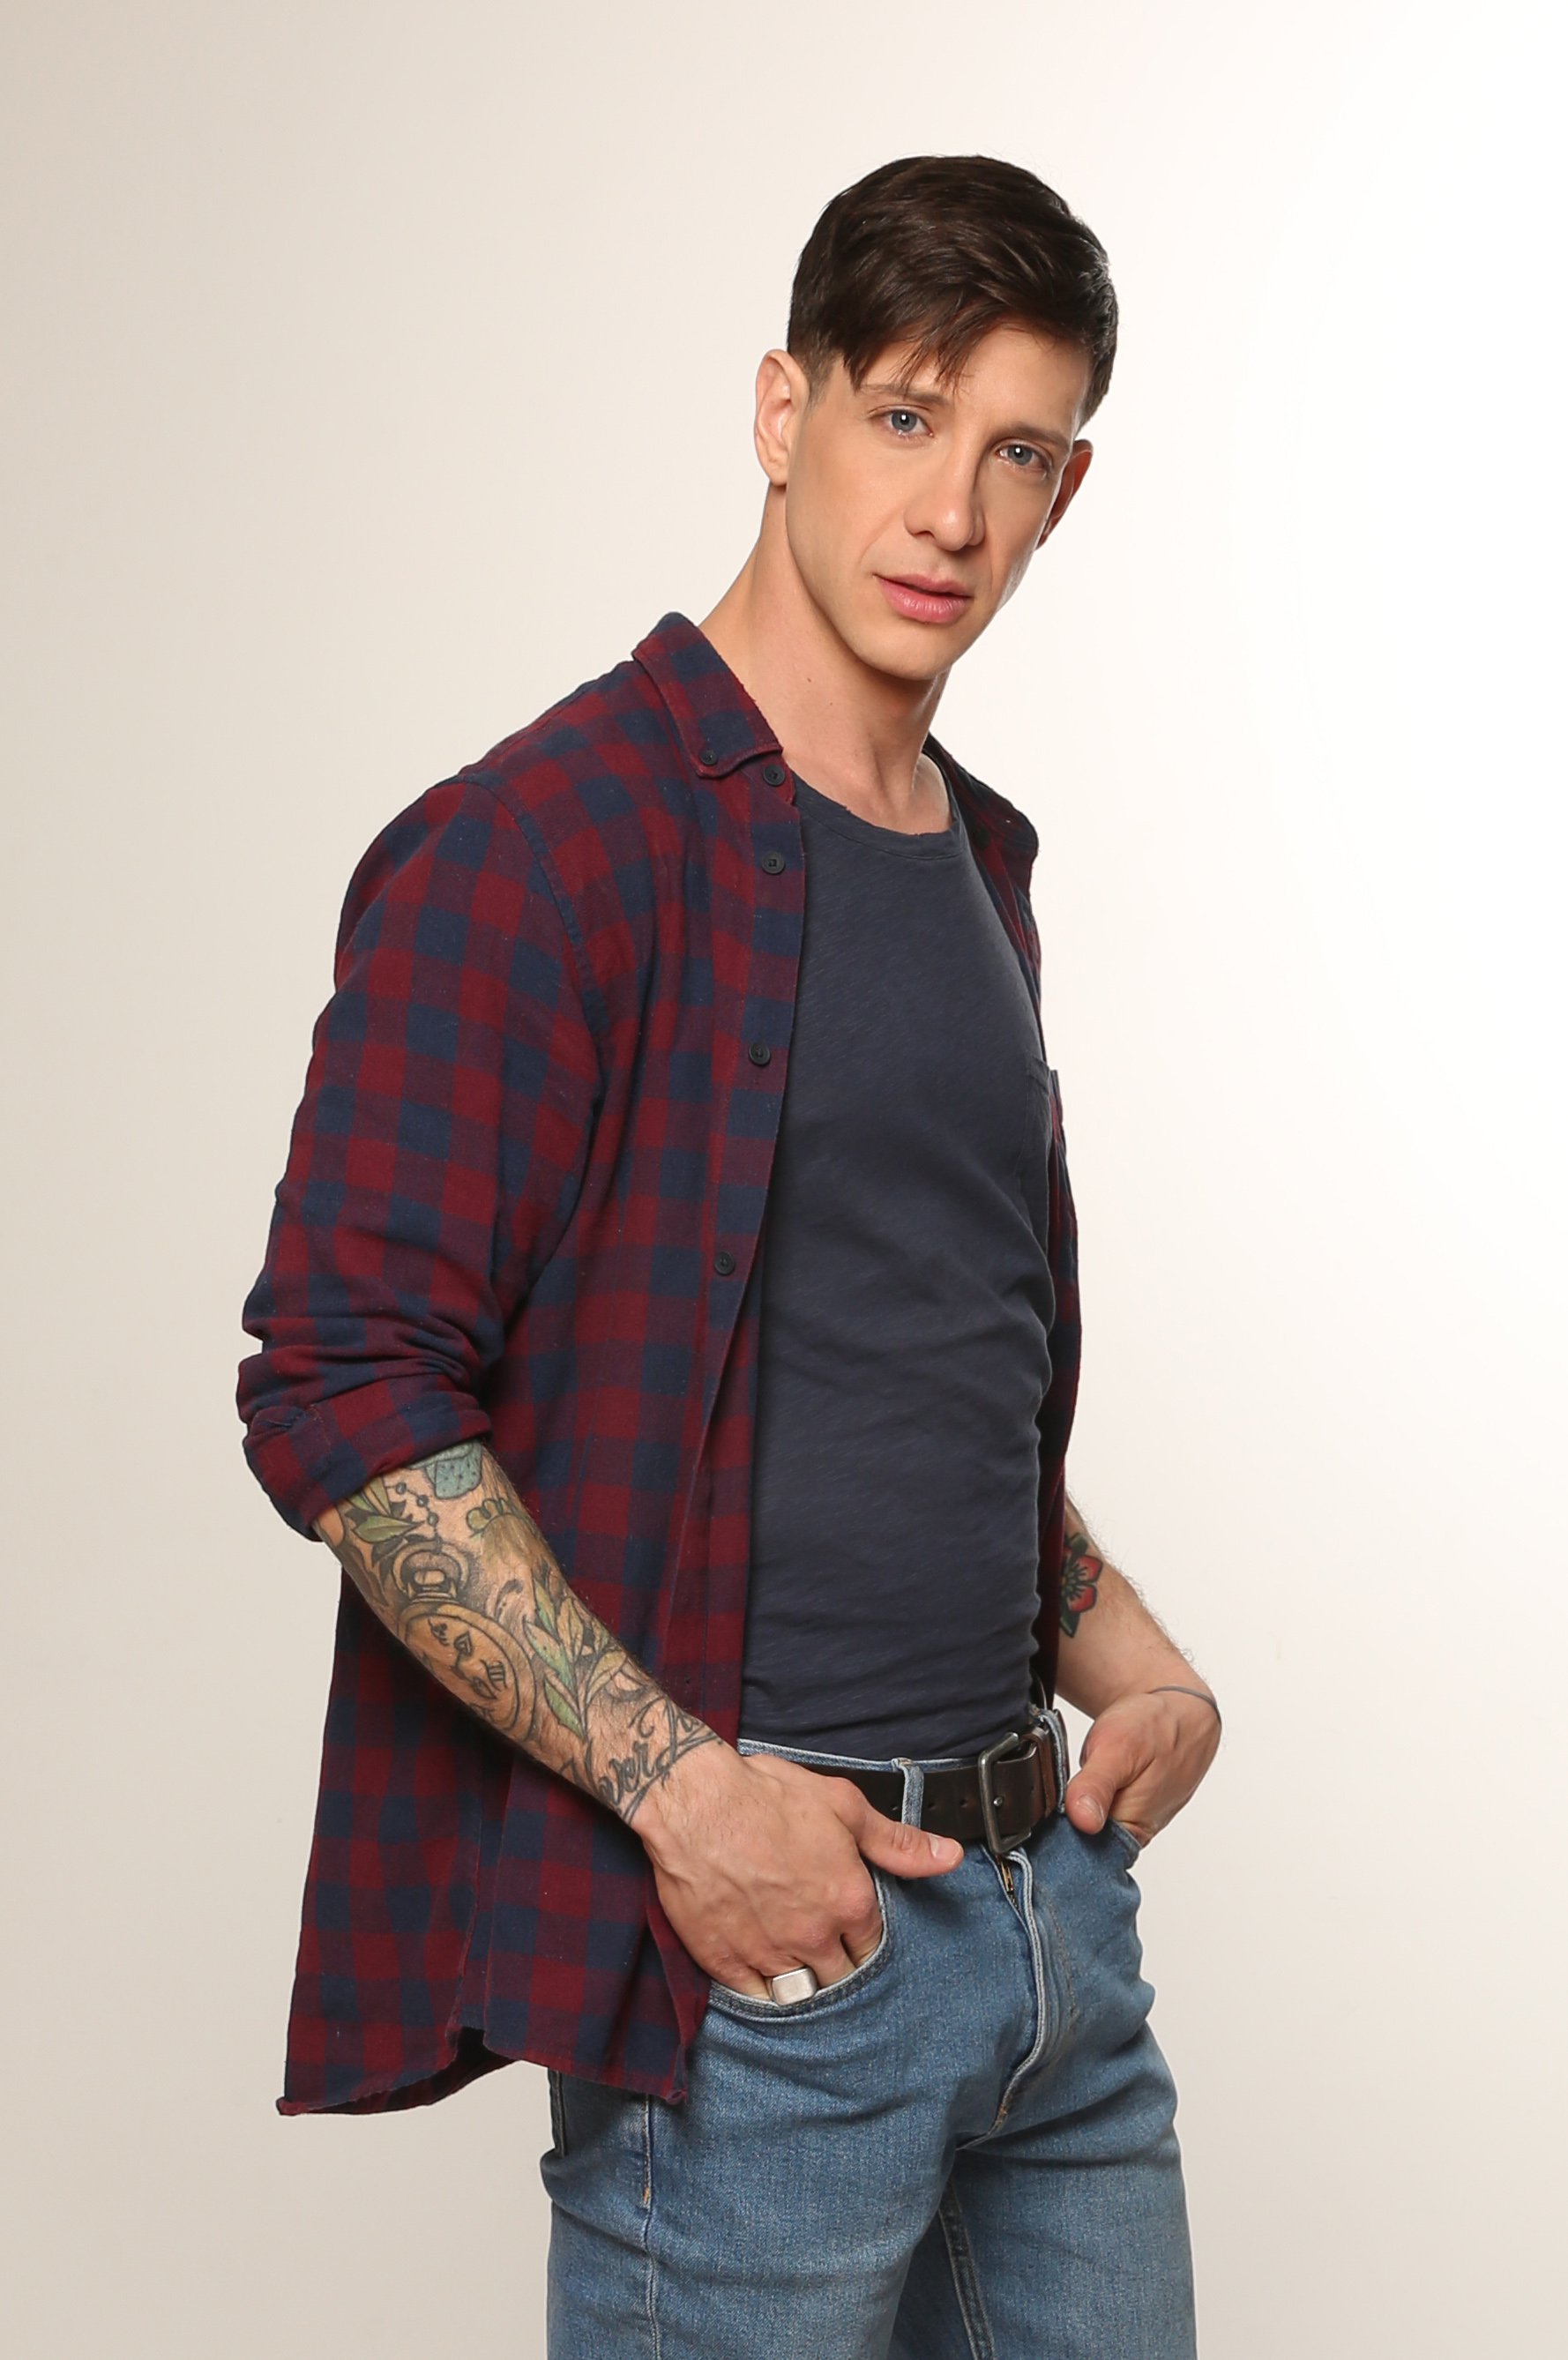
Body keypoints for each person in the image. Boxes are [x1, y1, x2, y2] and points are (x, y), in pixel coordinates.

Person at [239, 152, 1221, 2359]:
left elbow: (906, 1363)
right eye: (903, 415)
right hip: (775, 1970)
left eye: (1016, 452)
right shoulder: (537, 846)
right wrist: (686, 1800)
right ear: (782, 411)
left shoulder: (978, 863)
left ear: (1067, 491)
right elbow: (340, 1387)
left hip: (1052, 1949)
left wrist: (1131, 1658)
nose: (949, 510)